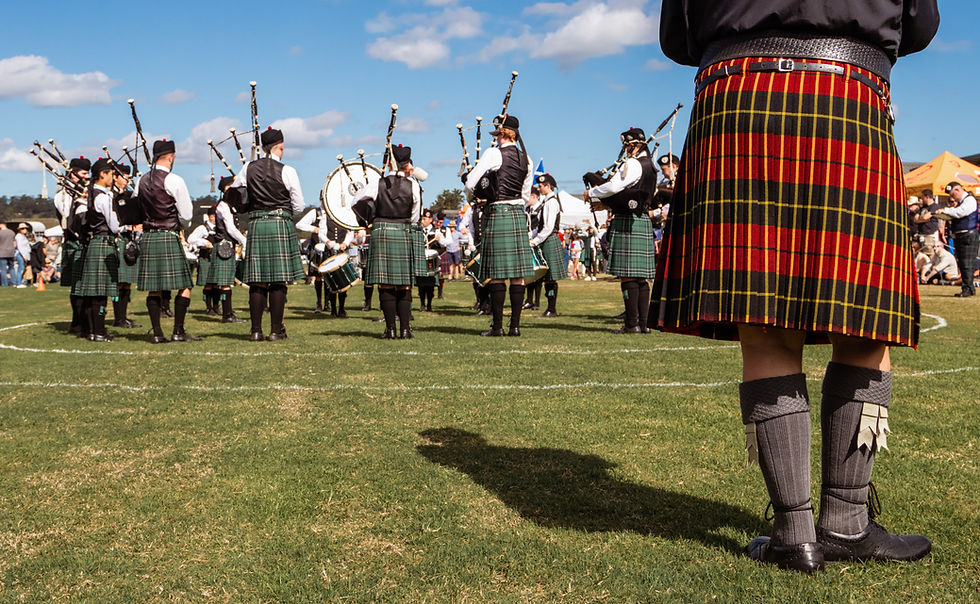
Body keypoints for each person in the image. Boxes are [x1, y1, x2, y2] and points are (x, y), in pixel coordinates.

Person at [655, 0, 938, 573]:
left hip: (735, 101)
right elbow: (921, 26)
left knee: (765, 328)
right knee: (863, 321)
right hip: (846, 98)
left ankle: (795, 535)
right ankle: (846, 523)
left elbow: (676, 37)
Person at [464, 114, 535, 336]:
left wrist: (474, 195)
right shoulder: (527, 159)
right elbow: (524, 194)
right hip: (516, 213)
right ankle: (515, 327)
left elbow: (470, 181)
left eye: (497, 134)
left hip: (497, 213)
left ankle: (497, 326)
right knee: (517, 275)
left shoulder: (493, 153)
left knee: (496, 273)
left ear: (502, 133)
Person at [233, 127, 307, 341]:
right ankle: (276, 330)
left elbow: (235, 192)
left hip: (256, 224)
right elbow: (299, 205)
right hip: (279, 223)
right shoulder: (288, 170)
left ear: (263, 147)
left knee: (257, 280)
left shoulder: (248, 167)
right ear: (280, 146)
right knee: (278, 280)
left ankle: (255, 331)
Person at [585, 127, 657, 333]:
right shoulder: (650, 166)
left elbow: (614, 187)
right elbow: (630, 196)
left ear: (632, 146)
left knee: (628, 275)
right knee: (641, 277)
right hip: (641, 219)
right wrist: (607, 205)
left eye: (626, 147)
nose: (625, 151)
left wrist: (592, 192)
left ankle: (631, 324)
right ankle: (643, 325)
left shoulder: (633, 163)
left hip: (627, 222)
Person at [353, 145, 422, 338]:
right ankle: (406, 330)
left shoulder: (377, 183)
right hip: (403, 231)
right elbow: (415, 217)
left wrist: (369, 215)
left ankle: (390, 329)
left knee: (385, 283)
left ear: (390, 162)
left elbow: (355, 201)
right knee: (404, 283)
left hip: (381, 232)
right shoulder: (414, 185)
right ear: (407, 163)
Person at [135, 139, 198, 343]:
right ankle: (178, 331)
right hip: (169, 235)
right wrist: (181, 226)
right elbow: (187, 214)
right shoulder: (175, 180)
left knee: (154, 287)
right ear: (171, 156)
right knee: (185, 285)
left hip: (149, 237)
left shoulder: (141, 180)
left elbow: (136, 207)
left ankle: (156, 333)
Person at [72, 159, 120, 341]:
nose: (113, 178)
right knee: (101, 292)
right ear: (103, 174)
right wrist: (127, 225)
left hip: (95, 244)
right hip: (104, 243)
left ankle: (93, 331)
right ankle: (100, 332)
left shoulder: (91, 195)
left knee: (94, 293)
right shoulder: (103, 197)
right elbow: (114, 226)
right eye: (111, 174)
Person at [53, 157, 91, 332]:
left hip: (86, 241)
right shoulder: (61, 196)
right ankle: (77, 321)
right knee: (76, 284)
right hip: (73, 241)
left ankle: (86, 319)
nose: (86, 177)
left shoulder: (85, 191)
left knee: (86, 284)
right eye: (83, 174)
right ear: (72, 173)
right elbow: (70, 218)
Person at [207, 176, 247, 323]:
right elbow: (230, 228)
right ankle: (227, 315)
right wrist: (244, 241)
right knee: (225, 282)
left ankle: (228, 313)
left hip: (228, 245)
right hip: (224, 245)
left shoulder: (230, 206)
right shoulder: (223, 206)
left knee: (227, 281)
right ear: (226, 189)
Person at [530, 174, 568, 316]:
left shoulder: (552, 202)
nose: (539, 188)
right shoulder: (546, 202)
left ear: (548, 186)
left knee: (550, 277)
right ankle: (550, 309)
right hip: (546, 240)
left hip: (549, 240)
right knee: (547, 277)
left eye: (541, 186)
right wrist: (531, 237)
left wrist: (535, 241)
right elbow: (540, 227)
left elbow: (548, 227)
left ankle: (552, 309)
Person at [111, 164, 142, 329]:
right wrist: (129, 227)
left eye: (128, 177)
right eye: (123, 176)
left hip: (129, 240)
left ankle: (123, 317)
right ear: (115, 177)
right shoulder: (111, 196)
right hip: (120, 238)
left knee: (126, 282)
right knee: (119, 282)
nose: (126, 180)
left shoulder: (129, 195)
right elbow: (113, 221)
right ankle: (118, 318)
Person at [939, 182, 978, 297]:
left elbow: (961, 212)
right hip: (961, 236)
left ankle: (967, 289)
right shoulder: (962, 202)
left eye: (952, 195)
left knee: (967, 264)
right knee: (962, 263)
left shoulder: (969, 200)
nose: (952, 198)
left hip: (968, 235)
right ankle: (968, 288)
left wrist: (945, 211)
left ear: (957, 191)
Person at [318, 210, 355, 317]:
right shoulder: (325, 215)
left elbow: (350, 231)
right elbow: (321, 232)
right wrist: (327, 242)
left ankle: (342, 309)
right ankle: (333, 309)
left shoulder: (346, 215)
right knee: (331, 281)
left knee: (343, 280)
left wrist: (345, 243)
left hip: (341, 250)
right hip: (329, 250)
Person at [295, 205, 329, 313]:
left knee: (329, 277)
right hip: (317, 247)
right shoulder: (316, 212)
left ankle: (328, 304)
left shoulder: (335, 212)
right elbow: (299, 224)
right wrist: (313, 229)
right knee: (318, 277)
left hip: (330, 247)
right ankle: (319, 304)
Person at [188, 208, 220, 315]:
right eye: (215, 216)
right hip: (206, 258)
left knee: (216, 284)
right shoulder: (202, 228)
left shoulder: (220, 227)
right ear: (211, 216)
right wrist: (203, 242)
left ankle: (216, 307)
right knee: (208, 284)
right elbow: (190, 239)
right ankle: (208, 307)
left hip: (217, 258)